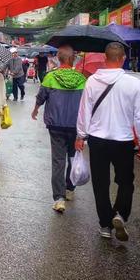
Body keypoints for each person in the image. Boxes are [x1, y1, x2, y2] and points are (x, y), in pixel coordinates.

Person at [75, 42, 140, 241]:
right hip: (123, 141)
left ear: (105, 59)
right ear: (123, 59)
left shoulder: (92, 82)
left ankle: (105, 225)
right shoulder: (133, 84)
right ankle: (120, 214)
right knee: (125, 181)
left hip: (98, 140)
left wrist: (81, 136)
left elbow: (84, 112)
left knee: (101, 183)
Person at [31, 45, 86, 212]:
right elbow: (86, 104)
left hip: (55, 125)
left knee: (58, 160)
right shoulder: (82, 79)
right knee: (72, 157)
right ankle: (70, 189)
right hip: (75, 126)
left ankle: (59, 198)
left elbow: (41, 96)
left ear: (58, 59)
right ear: (73, 59)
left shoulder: (50, 77)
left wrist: (35, 109)